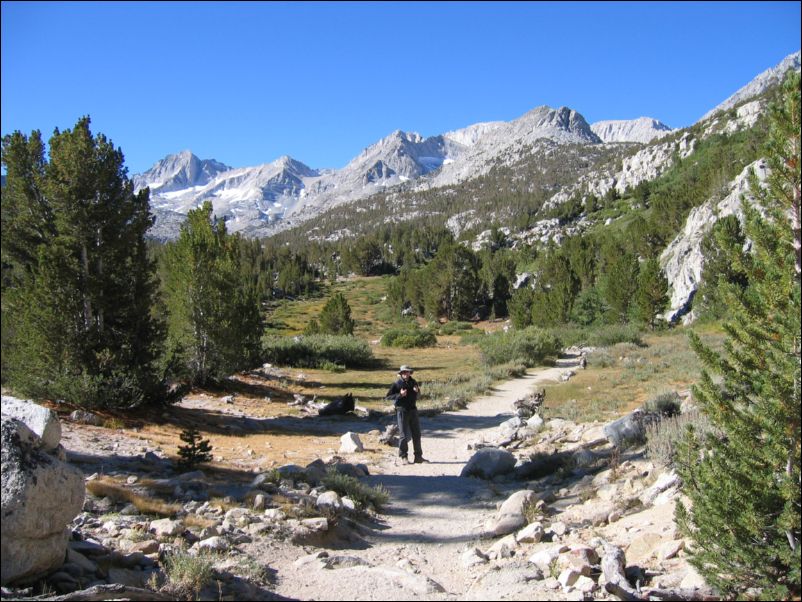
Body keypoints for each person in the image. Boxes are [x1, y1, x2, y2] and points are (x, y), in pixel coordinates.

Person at [386, 365, 427, 464]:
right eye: (403, 372)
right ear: (401, 373)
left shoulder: (414, 382)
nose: (405, 373)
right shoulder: (397, 383)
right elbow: (388, 397)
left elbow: (418, 396)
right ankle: (403, 457)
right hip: (402, 411)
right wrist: (400, 395)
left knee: (417, 434)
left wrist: (417, 392)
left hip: (413, 410)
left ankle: (418, 457)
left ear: (410, 373)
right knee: (403, 435)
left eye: (407, 372)